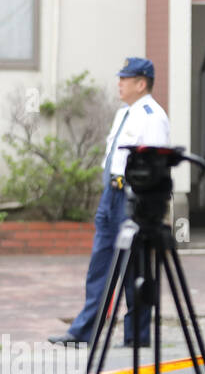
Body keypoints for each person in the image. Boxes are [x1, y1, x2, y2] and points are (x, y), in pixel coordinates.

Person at [53, 58, 171, 347]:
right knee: (101, 264)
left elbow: (155, 166)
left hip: (134, 197)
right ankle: (84, 331)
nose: (119, 83)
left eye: (125, 78)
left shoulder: (152, 116)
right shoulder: (124, 113)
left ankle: (137, 336)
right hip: (112, 195)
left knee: (137, 268)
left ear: (141, 83)